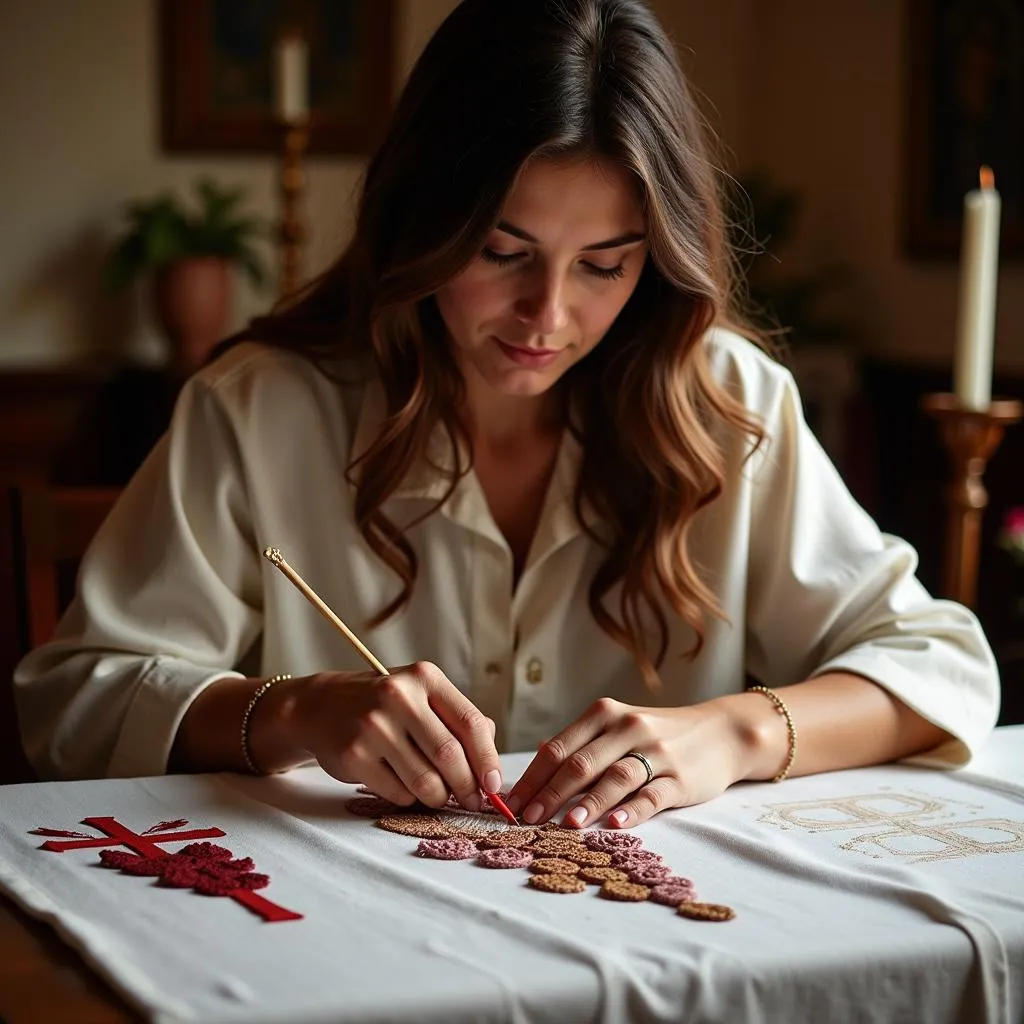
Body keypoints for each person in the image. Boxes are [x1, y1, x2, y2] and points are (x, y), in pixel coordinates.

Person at [15, 0, 998, 832]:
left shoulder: (727, 401)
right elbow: (71, 701)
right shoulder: (262, 408)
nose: (548, 314)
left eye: (604, 264)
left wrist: (730, 733)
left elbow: (941, 665)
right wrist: (294, 710)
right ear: (424, 221)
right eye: (501, 250)